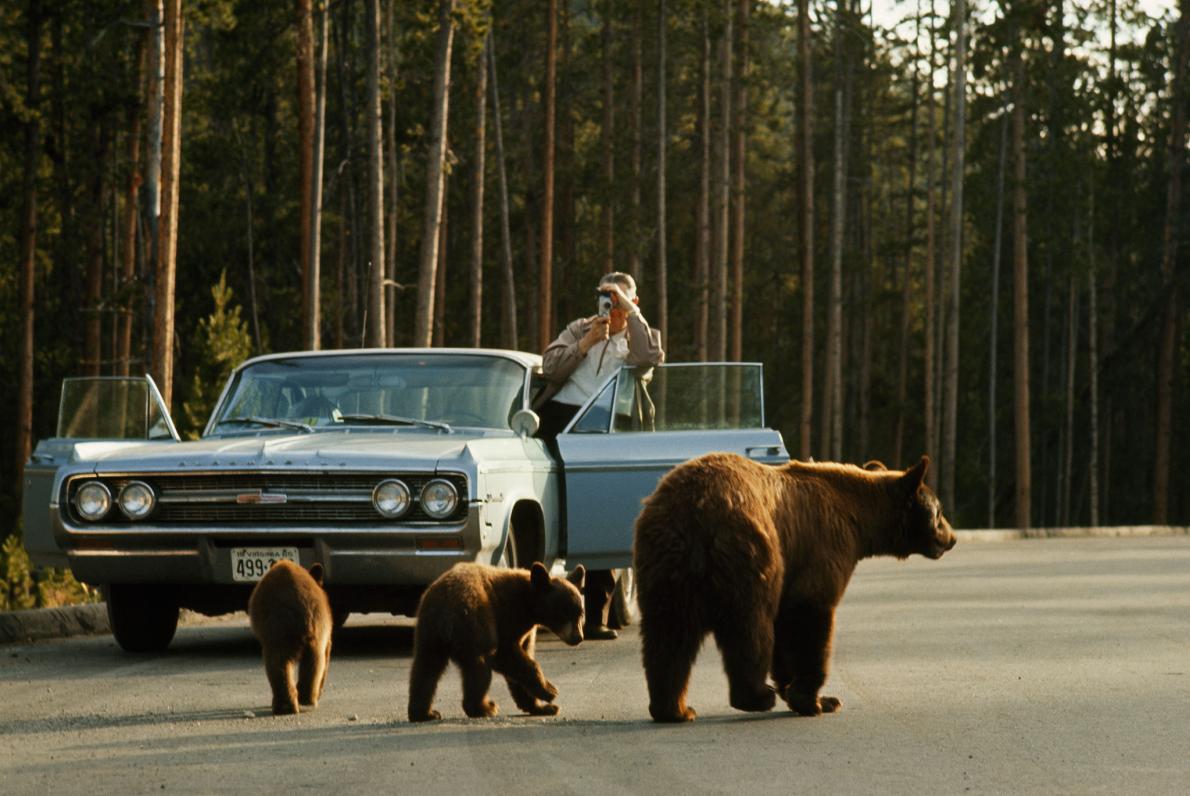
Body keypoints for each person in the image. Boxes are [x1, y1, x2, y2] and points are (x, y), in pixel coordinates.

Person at [533, 272, 664, 640]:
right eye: (605, 297)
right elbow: (551, 366)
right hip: (563, 419)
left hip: (610, 427)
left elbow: (650, 357)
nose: (611, 306)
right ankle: (538, 603)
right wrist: (586, 342)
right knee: (557, 513)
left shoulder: (639, 335)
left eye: (618, 299)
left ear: (633, 302)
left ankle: (594, 617)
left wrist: (630, 316)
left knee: (600, 516)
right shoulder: (580, 328)